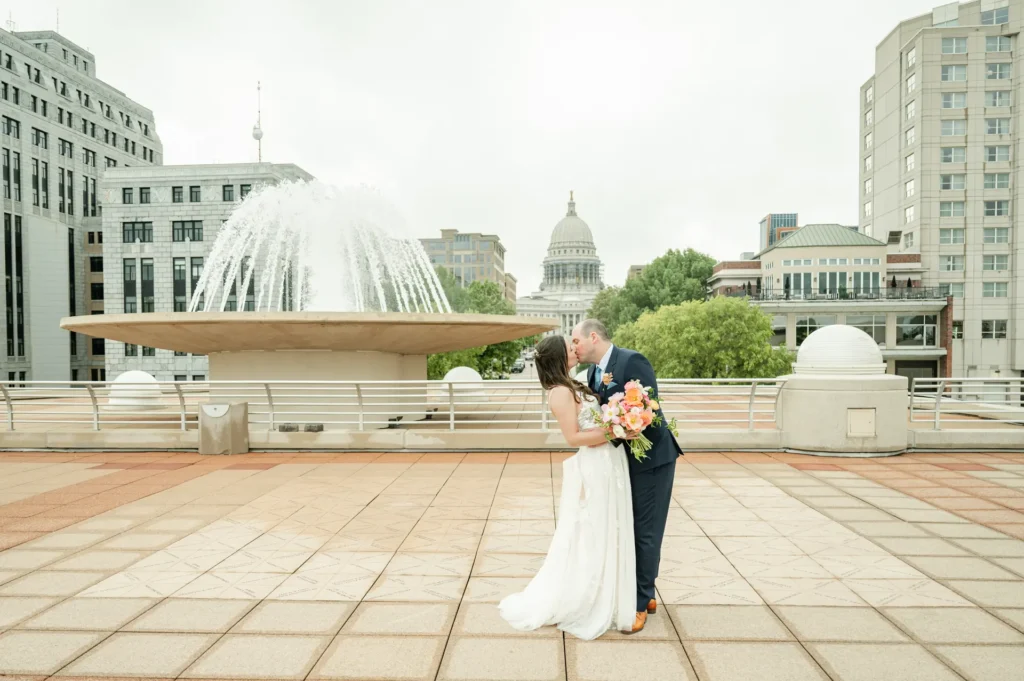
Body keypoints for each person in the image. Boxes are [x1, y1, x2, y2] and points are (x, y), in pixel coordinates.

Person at [498, 334, 637, 640]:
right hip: (595, 464)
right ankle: (587, 598)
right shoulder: (559, 392)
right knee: (591, 529)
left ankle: (611, 591)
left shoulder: (574, 383)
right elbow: (573, 439)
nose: (575, 349)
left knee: (609, 526)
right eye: (569, 347)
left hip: (610, 461)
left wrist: (617, 422)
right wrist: (616, 431)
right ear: (559, 356)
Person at [571, 318, 682, 633]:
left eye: (576, 341)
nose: (574, 348)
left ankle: (639, 602)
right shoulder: (593, 372)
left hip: (652, 460)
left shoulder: (631, 360)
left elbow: (649, 408)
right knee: (630, 527)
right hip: (621, 462)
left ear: (593, 337)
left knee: (646, 531)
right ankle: (646, 593)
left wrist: (628, 422)